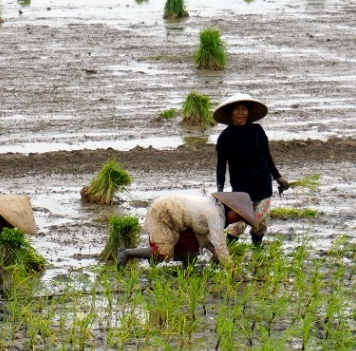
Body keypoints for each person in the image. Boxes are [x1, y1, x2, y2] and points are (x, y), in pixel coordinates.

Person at [214, 93, 288, 246]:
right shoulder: (225, 138)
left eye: (244, 109)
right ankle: (227, 251)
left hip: (262, 183)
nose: (240, 113)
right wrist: (219, 190)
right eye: (237, 109)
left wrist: (277, 177)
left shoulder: (257, 130)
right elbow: (221, 166)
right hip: (241, 188)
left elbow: (267, 156)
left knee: (260, 221)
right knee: (238, 223)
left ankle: (257, 249)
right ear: (231, 113)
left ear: (248, 113)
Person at [116, 192, 259, 269]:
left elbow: (200, 234)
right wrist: (231, 268)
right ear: (230, 209)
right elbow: (220, 244)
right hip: (165, 211)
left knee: (192, 250)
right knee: (163, 254)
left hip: (179, 219)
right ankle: (126, 253)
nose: (236, 220)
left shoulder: (215, 208)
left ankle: (186, 273)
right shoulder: (215, 214)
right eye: (237, 216)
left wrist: (212, 250)